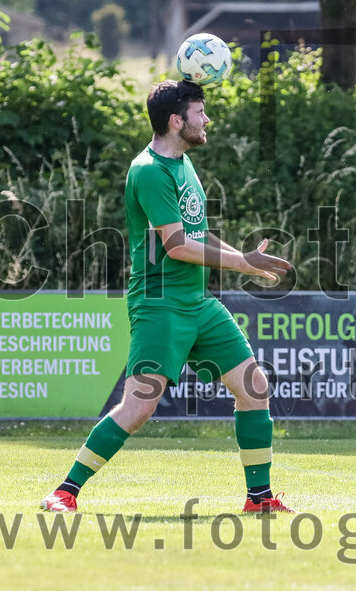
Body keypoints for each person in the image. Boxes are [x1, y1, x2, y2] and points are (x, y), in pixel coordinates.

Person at [40, 80, 294, 513]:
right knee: (138, 407)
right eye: (200, 113)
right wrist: (241, 263)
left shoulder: (182, 164)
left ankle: (259, 498)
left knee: (254, 387)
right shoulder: (149, 171)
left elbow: (198, 232)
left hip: (196, 302)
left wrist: (246, 261)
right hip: (159, 303)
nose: (206, 119)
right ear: (177, 121)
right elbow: (176, 245)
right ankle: (65, 491)